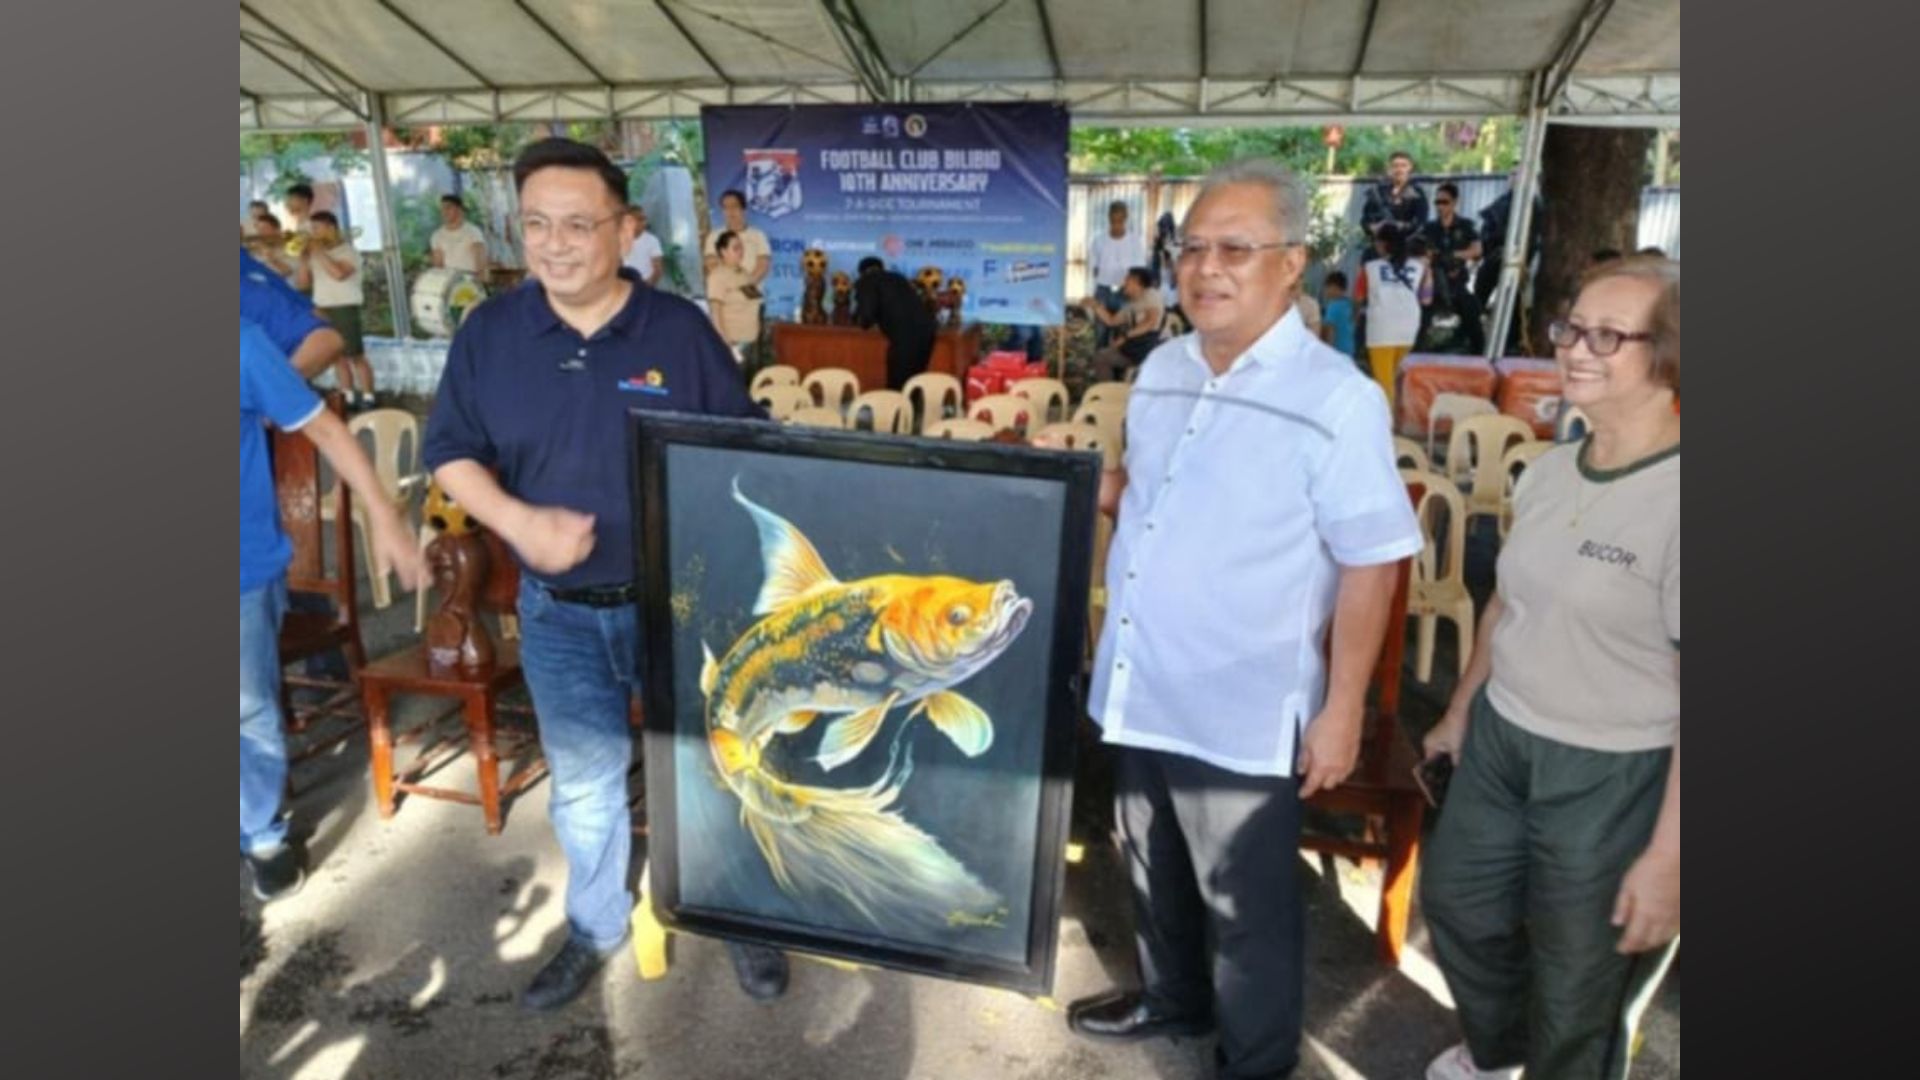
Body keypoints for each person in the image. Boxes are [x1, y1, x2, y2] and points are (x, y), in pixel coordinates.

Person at [1064, 159, 1423, 1080]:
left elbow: (1374, 559)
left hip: (1240, 705)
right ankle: (1171, 1000)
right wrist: (1060, 485)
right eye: (1191, 248)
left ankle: (1255, 1062)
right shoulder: (1163, 368)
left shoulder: (1336, 397)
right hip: (1141, 682)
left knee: (1246, 912)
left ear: (1293, 262)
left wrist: (1342, 708)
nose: (1205, 268)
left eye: (1236, 248)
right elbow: (1146, 496)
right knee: (1148, 867)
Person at [421, 137, 788, 1013]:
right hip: (558, 616)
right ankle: (593, 926)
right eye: (537, 223)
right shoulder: (492, 332)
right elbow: (449, 454)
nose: (554, 243)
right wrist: (518, 524)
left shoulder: (680, 331)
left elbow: (738, 453)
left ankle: (737, 914)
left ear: (625, 230)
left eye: (578, 224)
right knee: (583, 782)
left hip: (680, 603)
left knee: (712, 764)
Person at [1419, 256, 1681, 1080]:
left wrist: (1671, 857)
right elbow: (1507, 605)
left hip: (1615, 768)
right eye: (1572, 327)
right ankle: (1501, 1056)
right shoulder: (1556, 465)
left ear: (1672, 357)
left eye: (1610, 336)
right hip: (1504, 734)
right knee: (1459, 905)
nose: (1575, 349)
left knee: (1581, 985)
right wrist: (1461, 712)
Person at [241, 317, 423, 900]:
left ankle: (262, 835)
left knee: (246, 708)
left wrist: (387, 518)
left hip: (240, 570)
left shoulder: (242, 340)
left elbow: (326, 430)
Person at [297, 211, 374, 410]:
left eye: (316, 228)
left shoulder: (348, 251)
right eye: (311, 229)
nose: (312, 233)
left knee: (355, 354)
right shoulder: (314, 253)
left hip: (344, 306)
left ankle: (368, 396)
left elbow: (338, 274)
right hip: (322, 307)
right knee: (336, 356)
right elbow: (302, 284)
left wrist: (318, 252)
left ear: (331, 228)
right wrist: (304, 259)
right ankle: (346, 397)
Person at [1352, 229, 1432, 410]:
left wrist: (1355, 316)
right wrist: (1429, 272)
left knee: (1384, 382)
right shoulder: (1420, 267)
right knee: (1391, 376)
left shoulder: (1370, 267)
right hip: (1409, 330)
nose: (1375, 245)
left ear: (1383, 244)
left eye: (1377, 242)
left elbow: (1358, 298)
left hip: (1382, 330)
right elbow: (1426, 299)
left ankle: (1385, 427)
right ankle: (1394, 415)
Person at [853, 256, 937, 390]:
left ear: (862, 272)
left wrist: (861, 320)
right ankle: (914, 410)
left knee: (897, 384)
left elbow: (866, 317)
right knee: (914, 383)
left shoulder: (867, 281)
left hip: (905, 336)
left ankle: (897, 410)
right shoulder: (898, 278)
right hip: (928, 331)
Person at [1420, 182, 1485, 354]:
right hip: (1433, 282)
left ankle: (1478, 354)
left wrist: (1454, 255)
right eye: (1437, 202)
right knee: (1421, 316)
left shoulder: (1465, 225)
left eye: (1445, 202)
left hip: (1456, 282)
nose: (1440, 206)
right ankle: (1418, 353)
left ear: (1455, 202)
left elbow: (1477, 249)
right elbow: (1419, 252)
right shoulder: (1429, 228)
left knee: (1472, 312)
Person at [1084, 266, 1166, 383]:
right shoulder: (1129, 305)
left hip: (1153, 349)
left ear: (1137, 282)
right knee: (1101, 357)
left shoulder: (1151, 294)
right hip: (1135, 350)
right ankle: (1110, 393)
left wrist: (1125, 336)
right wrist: (1095, 305)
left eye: (1127, 279)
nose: (1123, 283)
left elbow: (1150, 322)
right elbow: (1111, 321)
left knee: (1105, 355)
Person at [1087, 201, 1146, 348]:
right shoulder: (1098, 241)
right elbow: (1093, 268)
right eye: (1113, 220)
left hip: (1125, 292)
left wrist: (1129, 285)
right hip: (1103, 290)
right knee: (1100, 332)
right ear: (1108, 218)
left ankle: (1117, 368)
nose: (1116, 225)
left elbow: (1139, 270)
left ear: (1126, 218)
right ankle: (1101, 364)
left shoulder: (1134, 241)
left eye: (1120, 221)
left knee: (1122, 332)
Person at [705, 230, 762, 360]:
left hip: (751, 340)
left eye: (741, 247)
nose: (741, 251)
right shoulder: (717, 277)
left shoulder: (743, 273)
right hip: (734, 344)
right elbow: (715, 312)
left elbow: (753, 301)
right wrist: (726, 343)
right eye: (736, 248)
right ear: (723, 252)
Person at [1360, 150, 1428, 246]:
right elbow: (1365, 219)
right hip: (1380, 246)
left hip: (1407, 246)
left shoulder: (1417, 193)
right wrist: (1372, 227)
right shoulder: (1378, 191)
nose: (1399, 170)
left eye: (1403, 166)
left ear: (1410, 167)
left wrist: (1401, 227)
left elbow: (1421, 223)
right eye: (1395, 166)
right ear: (1390, 168)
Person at [431, 195, 490, 277]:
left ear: (459, 209)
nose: (444, 212)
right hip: (449, 282)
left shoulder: (473, 232)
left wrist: (481, 285)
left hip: (470, 282)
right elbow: (438, 266)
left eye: (448, 208)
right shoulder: (437, 235)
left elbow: (481, 265)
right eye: (442, 209)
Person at [248, 214, 301, 289]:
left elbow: (288, 272)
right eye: (258, 229)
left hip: (287, 292)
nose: (260, 233)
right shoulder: (256, 251)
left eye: (264, 229)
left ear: (277, 230)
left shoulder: (292, 247)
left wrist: (272, 259)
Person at [623, 206, 665, 287]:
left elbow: (658, 269)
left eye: (644, 218)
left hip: (646, 286)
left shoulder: (652, 240)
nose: (644, 222)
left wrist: (647, 285)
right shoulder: (620, 239)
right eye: (640, 219)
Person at [1320, 270, 1356, 358]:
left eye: (1327, 287)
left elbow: (1330, 332)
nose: (1325, 291)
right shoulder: (1349, 304)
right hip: (1350, 351)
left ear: (1334, 287)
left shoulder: (1333, 307)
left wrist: (1327, 353)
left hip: (1337, 352)